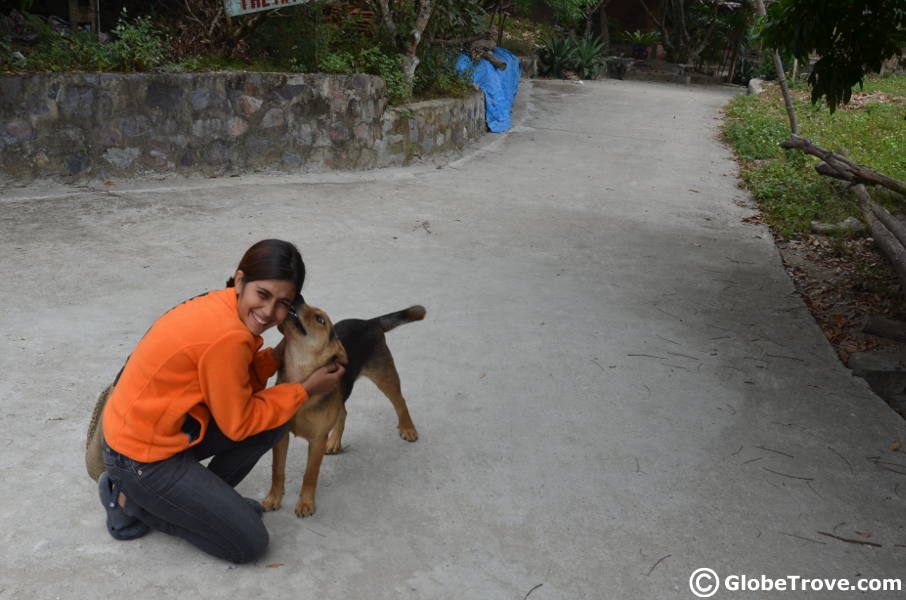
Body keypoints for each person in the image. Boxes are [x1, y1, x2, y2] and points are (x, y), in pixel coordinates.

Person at [98, 239, 344, 563]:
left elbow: (231, 381)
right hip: (141, 458)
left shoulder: (222, 305)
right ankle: (130, 499)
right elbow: (238, 424)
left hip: (166, 431)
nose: (270, 312)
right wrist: (305, 390)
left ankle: (207, 504)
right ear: (241, 281)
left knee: (276, 419)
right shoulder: (227, 338)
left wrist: (273, 357)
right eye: (263, 295)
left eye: (283, 303)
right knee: (248, 543)